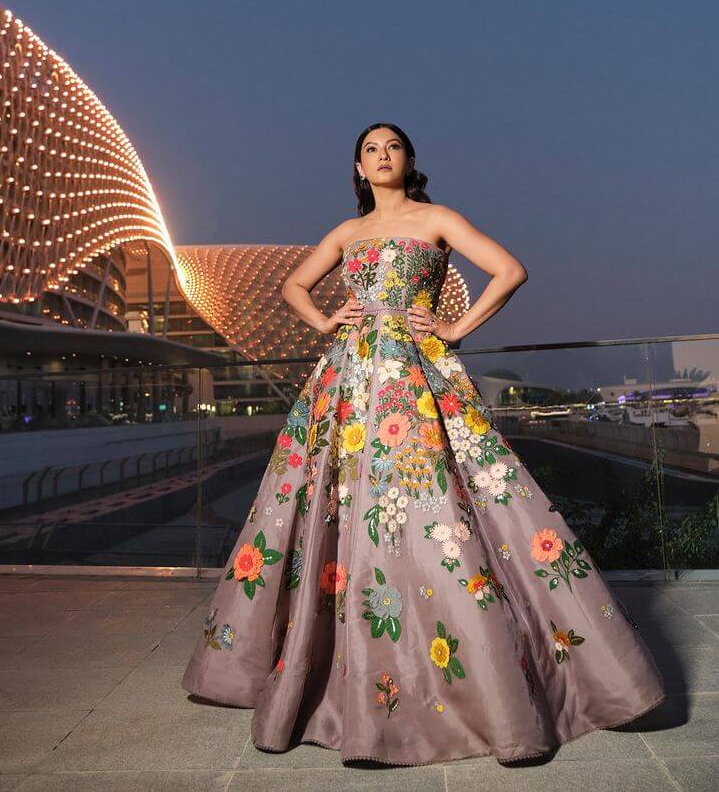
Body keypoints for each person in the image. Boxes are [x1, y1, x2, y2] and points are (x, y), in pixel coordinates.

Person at [181, 122, 665, 766]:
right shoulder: (346, 234)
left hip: (414, 376)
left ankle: (499, 681)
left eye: (393, 148)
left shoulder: (436, 218)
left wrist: (455, 326)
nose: (382, 157)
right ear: (358, 168)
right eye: (370, 151)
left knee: (442, 506)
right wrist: (327, 319)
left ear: (409, 160)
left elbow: (509, 269)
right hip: (349, 385)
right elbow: (294, 286)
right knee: (339, 508)